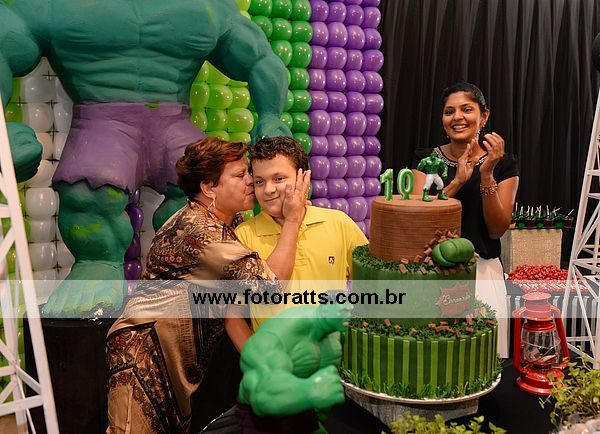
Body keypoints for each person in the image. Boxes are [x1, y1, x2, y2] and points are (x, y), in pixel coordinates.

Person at [0, 0, 291, 317]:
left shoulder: (206, 7)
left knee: (214, 189)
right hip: (103, 120)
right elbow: (5, 44)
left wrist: (271, 116)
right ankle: (98, 266)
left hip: (173, 121)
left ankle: (195, 277)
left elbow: (260, 60)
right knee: (88, 193)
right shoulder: (52, 5)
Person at [105, 137, 309, 433]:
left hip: (177, 359)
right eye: (240, 175)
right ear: (209, 188)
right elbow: (271, 288)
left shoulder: (226, 221)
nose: (251, 181)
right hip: (145, 355)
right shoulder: (200, 232)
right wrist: (292, 220)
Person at [413, 82, 519, 358]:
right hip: (431, 276)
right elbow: (417, 221)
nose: (457, 117)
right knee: (434, 361)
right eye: (449, 111)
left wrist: (486, 176)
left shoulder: (503, 164)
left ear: (484, 116)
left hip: (482, 275)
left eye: (466, 109)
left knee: (481, 364)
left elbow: (496, 230)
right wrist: (457, 182)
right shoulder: (425, 161)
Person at [232, 136, 368, 336]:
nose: (268, 190)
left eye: (279, 179)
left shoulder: (339, 223)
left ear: (303, 178)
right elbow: (233, 315)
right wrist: (255, 354)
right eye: (259, 181)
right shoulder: (243, 235)